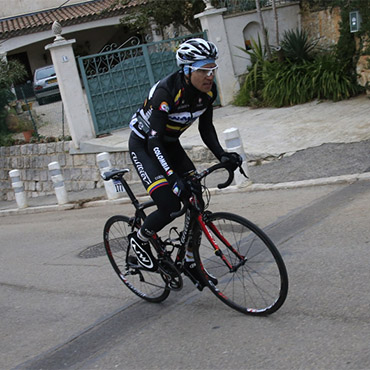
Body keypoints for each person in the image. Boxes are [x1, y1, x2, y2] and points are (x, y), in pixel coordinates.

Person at [128, 38, 242, 286]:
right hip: (145, 146)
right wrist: (172, 178)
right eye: (203, 70)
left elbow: (206, 128)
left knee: (196, 200)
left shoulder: (207, 92)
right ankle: (140, 238)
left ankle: (190, 261)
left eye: (212, 69)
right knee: (169, 204)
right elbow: (153, 142)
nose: (209, 76)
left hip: (169, 144)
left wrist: (222, 155)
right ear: (187, 70)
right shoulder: (166, 93)